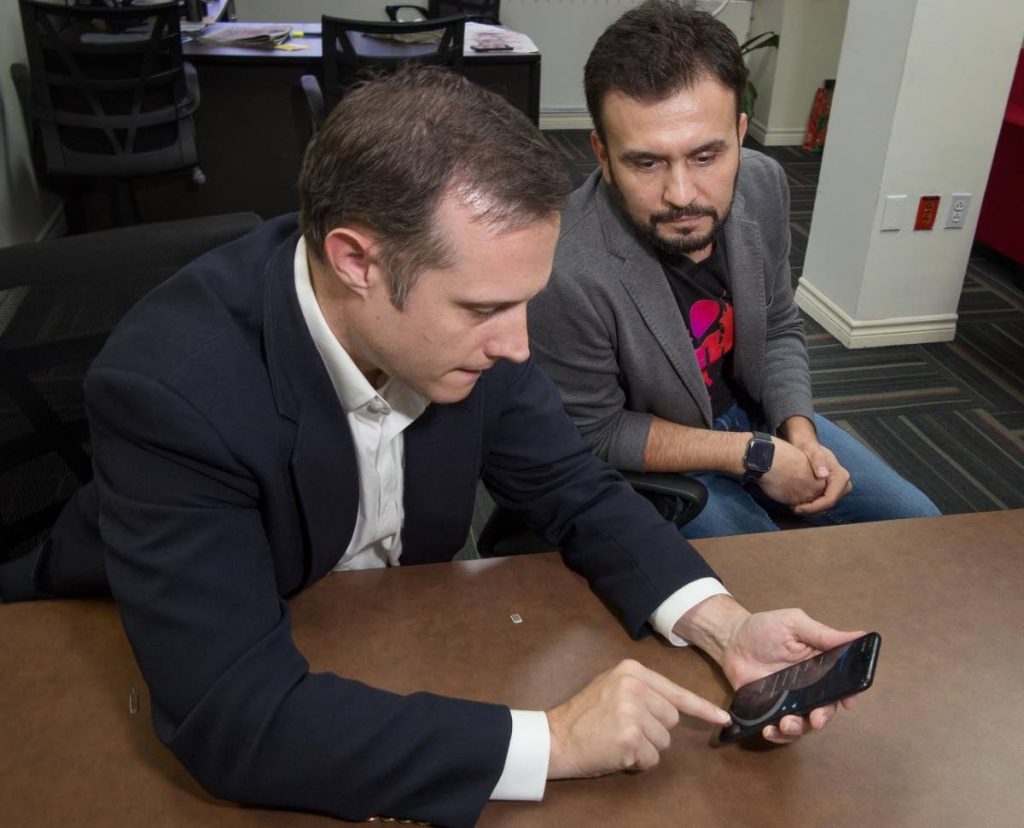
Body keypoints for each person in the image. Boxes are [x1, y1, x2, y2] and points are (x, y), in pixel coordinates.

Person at [6, 67, 861, 827]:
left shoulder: (478, 321)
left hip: (368, 631)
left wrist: (728, 628)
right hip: (110, 636)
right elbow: (235, 721)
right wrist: (552, 741)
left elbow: (575, 487)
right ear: (356, 262)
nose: (519, 346)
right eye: (485, 308)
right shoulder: (172, 388)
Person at [529, 0, 940, 539]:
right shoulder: (563, 269)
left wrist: (800, 431)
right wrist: (754, 455)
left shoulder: (763, 185)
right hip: (657, 450)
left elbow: (776, 328)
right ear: (602, 154)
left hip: (756, 415)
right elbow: (596, 431)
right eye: (646, 162)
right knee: (764, 574)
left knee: (919, 527)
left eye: (706, 156)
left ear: (741, 133)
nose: (681, 195)